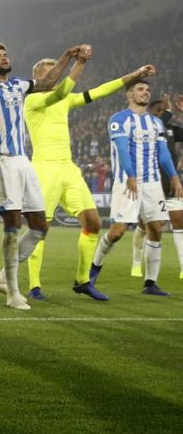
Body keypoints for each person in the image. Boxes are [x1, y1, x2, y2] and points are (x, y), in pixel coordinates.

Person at [24, 48, 154, 301]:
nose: (56, 76)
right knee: (41, 229)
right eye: (51, 72)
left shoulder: (64, 99)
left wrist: (136, 74)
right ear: (39, 78)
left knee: (93, 223)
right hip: (44, 169)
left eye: (56, 71)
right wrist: (79, 63)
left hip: (68, 169)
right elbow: (61, 90)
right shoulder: (33, 101)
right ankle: (34, 285)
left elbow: (101, 90)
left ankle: (83, 280)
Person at [0, 39, 84, 309]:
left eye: (5, 54)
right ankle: (13, 292)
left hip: (23, 161)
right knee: (12, 225)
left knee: (40, 227)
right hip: (1, 160)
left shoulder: (19, 85)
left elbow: (49, 83)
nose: (4, 57)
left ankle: (1, 278)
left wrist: (66, 54)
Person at [90, 79, 182, 296]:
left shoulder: (156, 123)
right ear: (129, 95)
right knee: (118, 232)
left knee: (156, 228)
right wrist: (131, 175)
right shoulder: (119, 120)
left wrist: (174, 178)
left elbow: (164, 153)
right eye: (140, 89)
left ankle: (150, 283)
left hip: (152, 184)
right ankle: (92, 271)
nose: (145, 93)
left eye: (148, 90)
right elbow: (122, 150)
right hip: (127, 182)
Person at [132, 94, 183, 279]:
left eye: (163, 112)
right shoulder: (143, 129)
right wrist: (168, 111)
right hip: (149, 183)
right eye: (159, 111)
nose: (162, 115)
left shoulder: (170, 129)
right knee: (145, 226)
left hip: (170, 183)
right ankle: (136, 262)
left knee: (179, 223)